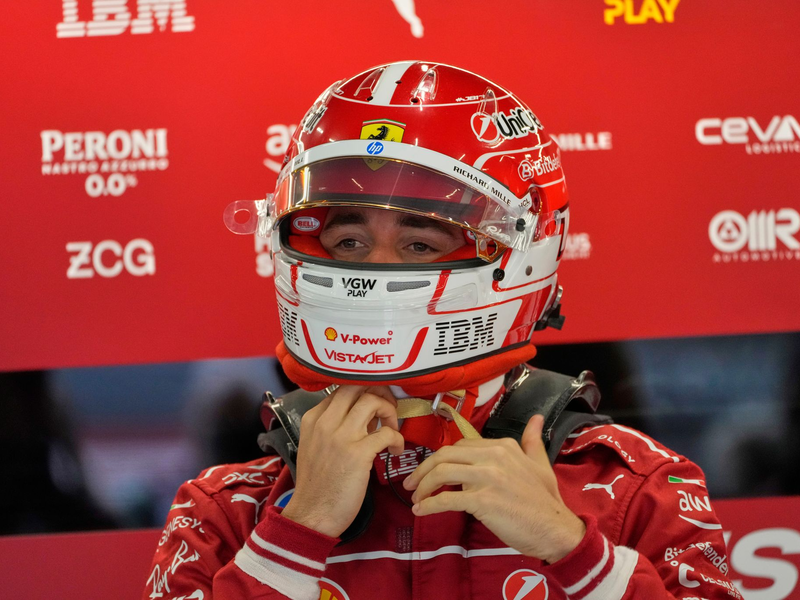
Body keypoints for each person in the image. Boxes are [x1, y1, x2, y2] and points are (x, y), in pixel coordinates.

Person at [144, 61, 740, 600]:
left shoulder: (636, 489)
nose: (372, 269)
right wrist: (298, 532)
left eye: (419, 244)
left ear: (524, 257)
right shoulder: (224, 511)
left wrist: (572, 550)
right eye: (347, 241)